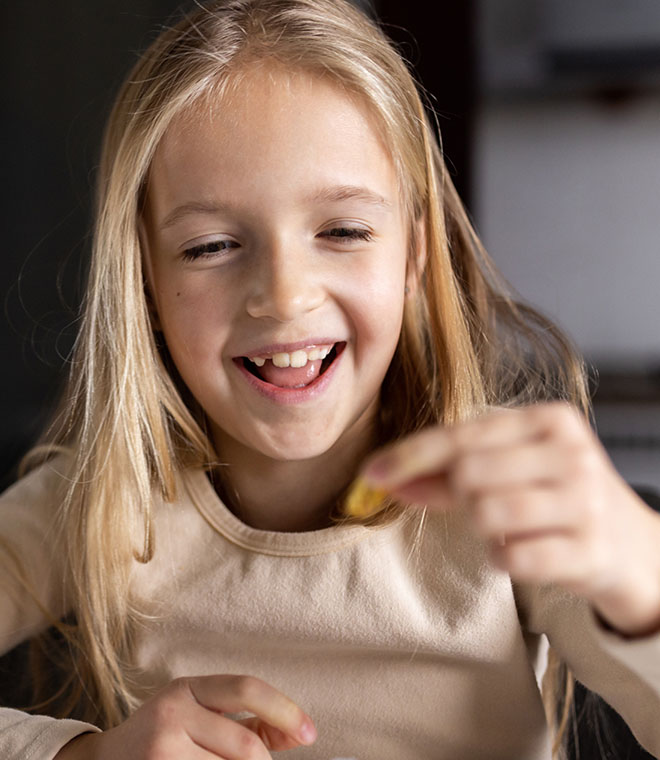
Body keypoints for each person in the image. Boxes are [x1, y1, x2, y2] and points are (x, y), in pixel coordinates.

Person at [1, 1, 659, 758]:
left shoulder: (499, 498)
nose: (284, 295)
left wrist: (642, 571)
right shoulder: (95, 502)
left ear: (414, 255)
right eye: (211, 245)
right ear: (144, 282)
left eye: (342, 231)